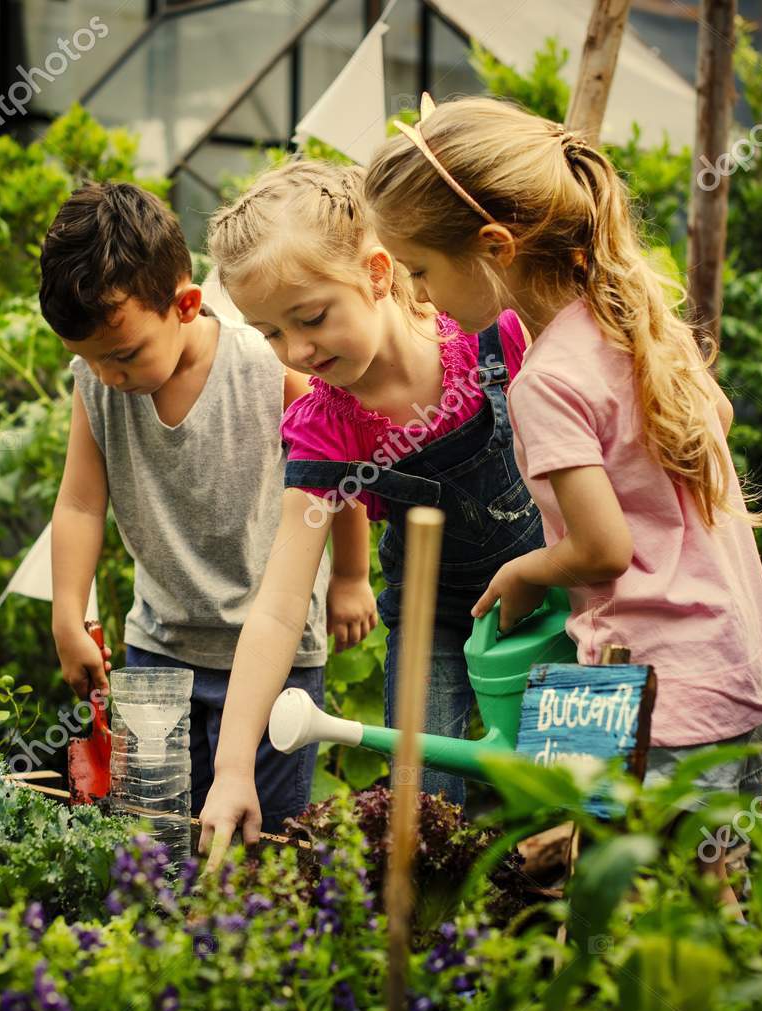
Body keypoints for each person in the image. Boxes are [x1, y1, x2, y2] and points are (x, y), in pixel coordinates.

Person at [363, 98, 762, 909]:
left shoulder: (548, 380)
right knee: (731, 907)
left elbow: (598, 548)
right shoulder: (633, 321)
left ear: (495, 248)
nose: (420, 297)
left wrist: (528, 568)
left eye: (419, 269)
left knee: (654, 919)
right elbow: (718, 420)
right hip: (745, 662)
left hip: (658, 696)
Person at [199, 158, 545, 857]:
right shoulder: (328, 425)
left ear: (379, 273)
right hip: (434, 619)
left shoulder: (493, 334)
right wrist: (233, 768)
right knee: (422, 813)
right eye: (269, 333)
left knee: (562, 793)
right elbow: (278, 603)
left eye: (311, 317)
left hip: (560, 595)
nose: (296, 350)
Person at [40, 183, 369, 840]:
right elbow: (79, 505)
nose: (108, 375)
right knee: (151, 840)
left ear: (186, 305)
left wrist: (351, 577)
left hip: (276, 657)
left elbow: (340, 469)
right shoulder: (98, 387)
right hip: (158, 650)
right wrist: (67, 612)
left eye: (124, 354)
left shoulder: (265, 369)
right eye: (90, 360)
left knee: (263, 845)